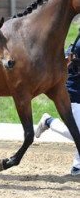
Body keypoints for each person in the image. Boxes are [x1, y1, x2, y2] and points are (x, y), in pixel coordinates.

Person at [35, 42, 80, 176]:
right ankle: (48, 121)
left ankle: (78, 166)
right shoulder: (78, 45)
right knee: (76, 133)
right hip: (74, 93)